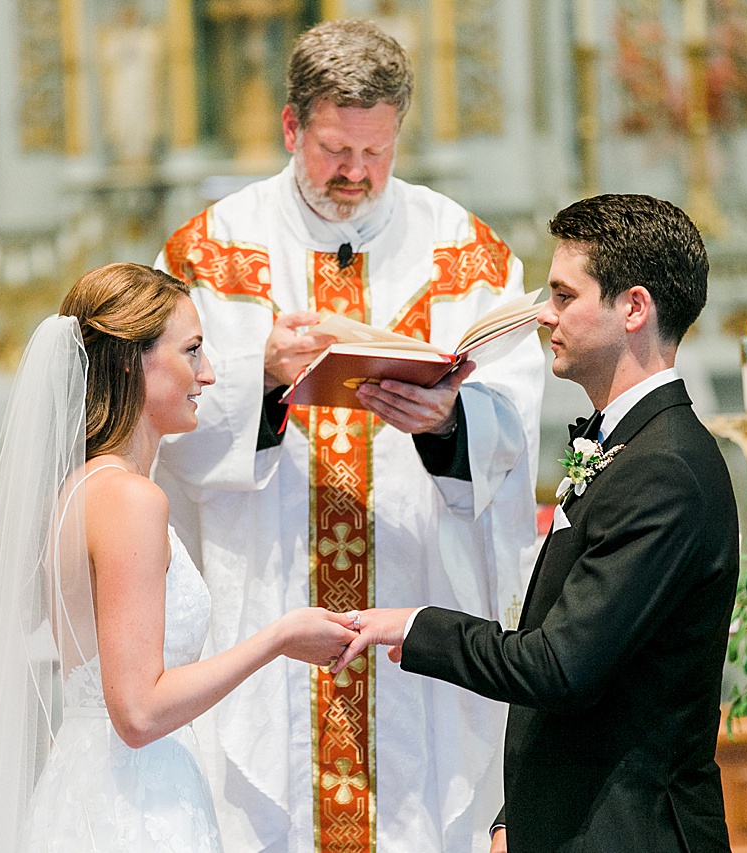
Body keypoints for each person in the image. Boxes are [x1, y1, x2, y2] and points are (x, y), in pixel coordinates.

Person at [154, 19, 545, 853]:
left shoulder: (464, 254)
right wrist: (257, 367)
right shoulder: (211, 252)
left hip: (414, 593)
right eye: (335, 149)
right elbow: (160, 411)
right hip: (265, 593)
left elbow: (512, 416)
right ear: (292, 127)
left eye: (377, 153)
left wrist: (449, 423)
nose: (356, 174)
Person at [333, 194, 739, 853]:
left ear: (633, 307)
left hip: (634, 832)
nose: (545, 313)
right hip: (579, 819)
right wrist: (512, 818)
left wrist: (412, 625)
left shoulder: (665, 468)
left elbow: (561, 663)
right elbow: (587, 672)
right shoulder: (629, 448)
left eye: (563, 293)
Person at [0, 263, 358, 853]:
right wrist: (277, 639)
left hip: (88, 783)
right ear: (132, 362)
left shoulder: (81, 487)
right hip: (133, 803)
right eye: (192, 352)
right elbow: (138, 712)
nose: (207, 375)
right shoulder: (129, 498)